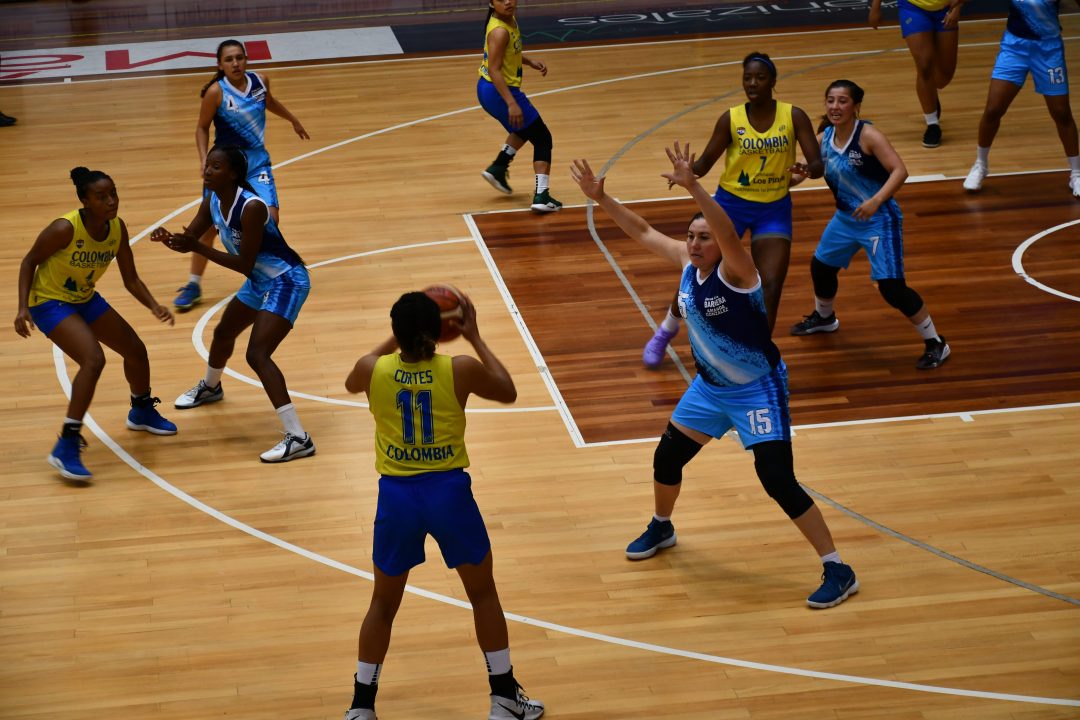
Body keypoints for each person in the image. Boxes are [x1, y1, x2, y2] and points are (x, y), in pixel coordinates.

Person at [571, 143, 859, 609]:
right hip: (708, 390)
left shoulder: (740, 273)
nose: (696, 243)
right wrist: (601, 198)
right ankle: (662, 526)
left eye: (705, 237)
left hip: (757, 390)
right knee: (666, 460)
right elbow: (642, 231)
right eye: (691, 236)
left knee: (776, 478)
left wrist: (694, 186)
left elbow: (726, 230)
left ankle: (837, 568)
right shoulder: (688, 268)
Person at [343, 291, 544, 720]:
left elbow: (350, 381)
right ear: (439, 333)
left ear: (397, 333)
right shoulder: (460, 370)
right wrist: (474, 337)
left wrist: (394, 340)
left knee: (382, 604)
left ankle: (362, 707)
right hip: (448, 493)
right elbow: (507, 391)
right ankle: (504, 699)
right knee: (483, 593)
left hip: (396, 497)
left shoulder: (370, 370)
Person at [642, 52, 822, 368]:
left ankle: (758, 351)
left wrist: (809, 168)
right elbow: (705, 163)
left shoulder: (794, 116)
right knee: (698, 272)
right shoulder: (731, 118)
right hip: (730, 206)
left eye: (759, 77)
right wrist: (687, 171)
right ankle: (666, 330)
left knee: (770, 283)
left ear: (773, 82)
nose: (752, 83)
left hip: (773, 208)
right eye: (747, 78)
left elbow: (818, 165)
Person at [151, 145, 314, 464]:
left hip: (286, 280)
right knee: (223, 332)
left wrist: (197, 246)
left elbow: (242, 263)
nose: (207, 171)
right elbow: (191, 237)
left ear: (234, 174)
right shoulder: (212, 198)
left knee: (257, 354)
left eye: (215, 167)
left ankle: (299, 437)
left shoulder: (251, 207)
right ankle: (211, 388)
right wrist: (172, 239)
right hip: (260, 280)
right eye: (207, 165)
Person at [15, 167, 176, 482]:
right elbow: (28, 261)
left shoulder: (117, 228)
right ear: (85, 201)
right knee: (94, 359)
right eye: (102, 197)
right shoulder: (64, 229)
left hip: (84, 298)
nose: (111, 201)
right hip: (49, 302)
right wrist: (22, 307)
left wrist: (154, 305)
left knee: (136, 350)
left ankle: (141, 410)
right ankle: (67, 443)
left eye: (114, 193)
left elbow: (130, 278)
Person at [788, 80, 950, 369]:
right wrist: (793, 177)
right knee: (821, 267)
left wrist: (876, 200)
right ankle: (825, 318)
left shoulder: (869, 136)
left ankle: (936, 343)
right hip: (845, 218)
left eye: (842, 101)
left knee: (892, 288)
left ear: (855, 106)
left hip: (879, 219)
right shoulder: (824, 136)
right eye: (831, 101)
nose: (835, 107)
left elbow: (900, 171)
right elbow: (811, 168)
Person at [174, 38, 309, 312]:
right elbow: (201, 128)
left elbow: (269, 102)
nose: (235, 63)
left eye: (239, 57)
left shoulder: (260, 81)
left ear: (246, 59)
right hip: (225, 166)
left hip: (257, 162)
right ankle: (193, 283)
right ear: (220, 65)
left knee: (270, 217)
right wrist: (203, 160)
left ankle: (272, 271)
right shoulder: (216, 92)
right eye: (229, 59)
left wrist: (292, 119)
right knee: (210, 225)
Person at [962, 0, 1080, 196]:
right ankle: (980, 165)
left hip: (1048, 50)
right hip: (1014, 47)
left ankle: (1076, 174)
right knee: (993, 109)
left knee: (1061, 112)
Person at [477, 0, 562, 213]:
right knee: (543, 137)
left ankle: (498, 166)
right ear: (491, 3)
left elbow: (509, 54)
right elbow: (495, 70)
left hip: (491, 90)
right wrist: (511, 102)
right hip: (498, 91)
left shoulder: (509, 19)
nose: (508, 1)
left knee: (525, 128)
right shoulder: (499, 31)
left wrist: (529, 61)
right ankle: (541, 195)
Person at [869, 0, 964, 148]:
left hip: (946, 7)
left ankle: (930, 93)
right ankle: (932, 124)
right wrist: (875, 7)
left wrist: (957, 8)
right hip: (912, 7)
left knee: (944, 77)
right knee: (924, 65)